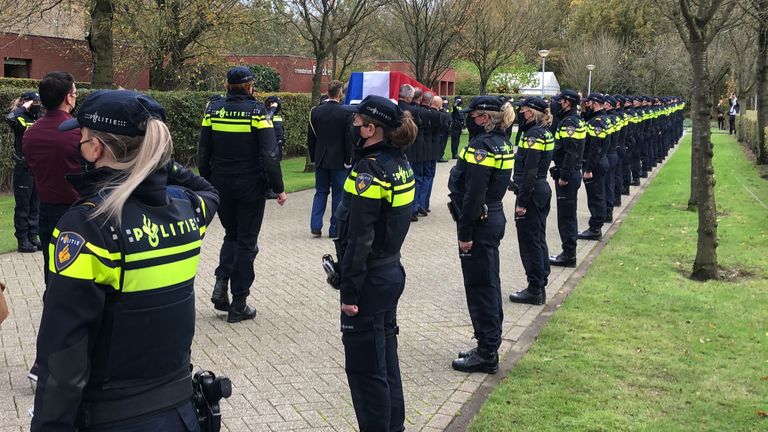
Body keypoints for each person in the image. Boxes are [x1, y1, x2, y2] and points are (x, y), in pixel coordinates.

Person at [32, 89, 219, 432]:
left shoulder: (89, 225)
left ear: (96, 148)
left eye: (83, 137)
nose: (80, 145)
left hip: (112, 418)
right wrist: (160, 165)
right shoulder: (187, 210)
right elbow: (209, 191)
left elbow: (64, 358)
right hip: (181, 414)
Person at [335, 95, 417, 432]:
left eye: (358, 122)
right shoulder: (400, 163)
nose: (353, 126)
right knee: (386, 364)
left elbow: (359, 238)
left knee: (366, 372)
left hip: (369, 280)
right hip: (389, 272)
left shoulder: (370, 170)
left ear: (373, 129)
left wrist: (349, 292)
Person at [198, 66, 287, 322]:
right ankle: (239, 302)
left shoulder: (212, 110)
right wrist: (278, 188)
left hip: (220, 185)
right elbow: (270, 155)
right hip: (250, 186)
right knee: (247, 242)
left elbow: (203, 151)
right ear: (250, 86)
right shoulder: (258, 112)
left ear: (227, 86)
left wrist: (206, 183)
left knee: (232, 236)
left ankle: (220, 284)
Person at [448, 96, 515, 373]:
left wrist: (465, 232)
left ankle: (487, 351)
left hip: (480, 220)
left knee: (480, 286)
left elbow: (474, 193)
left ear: (486, 118)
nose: (469, 120)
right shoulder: (501, 142)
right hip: (492, 216)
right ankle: (488, 342)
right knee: (488, 282)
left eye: (473, 115)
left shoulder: (482, 146)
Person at [23, 72, 83, 283]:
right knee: (74, 269)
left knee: (51, 266)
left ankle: (52, 304)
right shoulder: (78, 132)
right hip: (75, 211)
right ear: (68, 97)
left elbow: (31, 166)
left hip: (45, 209)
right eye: (75, 93)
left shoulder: (30, 133)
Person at [508, 97, 554, 306]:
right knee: (538, 236)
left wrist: (522, 202)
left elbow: (531, 171)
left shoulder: (535, 135)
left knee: (529, 241)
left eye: (525, 112)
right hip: (540, 190)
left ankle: (535, 288)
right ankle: (540, 279)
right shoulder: (543, 132)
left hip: (533, 192)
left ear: (533, 113)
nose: (522, 115)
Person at [307, 80, 353, 237]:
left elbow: (311, 138)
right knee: (338, 195)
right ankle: (335, 229)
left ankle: (315, 225)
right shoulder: (346, 112)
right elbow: (348, 138)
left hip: (321, 158)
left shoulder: (315, 111)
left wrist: (313, 157)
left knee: (320, 192)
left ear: (327, 92)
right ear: (340, 93)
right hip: (339, 160)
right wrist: (349, 159)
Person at [548, 90, 586, 268]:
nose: (556, 104)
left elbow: (571, 152)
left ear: (567, 103)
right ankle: (568, 252)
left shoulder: (569, 122)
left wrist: (564, 175)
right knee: (567, 215)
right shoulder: (570, 120)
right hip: (569, 172)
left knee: (566, 217)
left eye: (560, 101)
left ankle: (569, 254)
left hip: (568, 175)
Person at [6, 91, 42, 253]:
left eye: (39, 101)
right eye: (34, 102)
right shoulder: (19, 117)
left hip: (38, 167)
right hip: (23, 167)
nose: (37, 104)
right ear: (26, 102)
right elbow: (10, 118)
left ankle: (33, 236)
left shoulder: (40, 119)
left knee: (36, 204)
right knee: (23, 206)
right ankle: (23, 240)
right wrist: (23, 107)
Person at [577, 93, 610, 241]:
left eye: (588, 103)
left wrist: (589, 169)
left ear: (595, 104)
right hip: (600, 161)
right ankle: (595, 226)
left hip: (595, 164)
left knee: (596, 197)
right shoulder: (603, 119)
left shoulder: (597, 122)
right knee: (598, 195)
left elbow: (594, 148)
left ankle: (595, 229)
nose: (586, 106)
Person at [265, 95, 285, 200]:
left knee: (277, 166)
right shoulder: (267, 113)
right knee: (269, 167)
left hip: (279, 143)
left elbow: (281, 129)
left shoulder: (278, 116)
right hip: (271, 145)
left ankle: (274, 189)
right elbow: (267, 119)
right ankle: (268, 190)